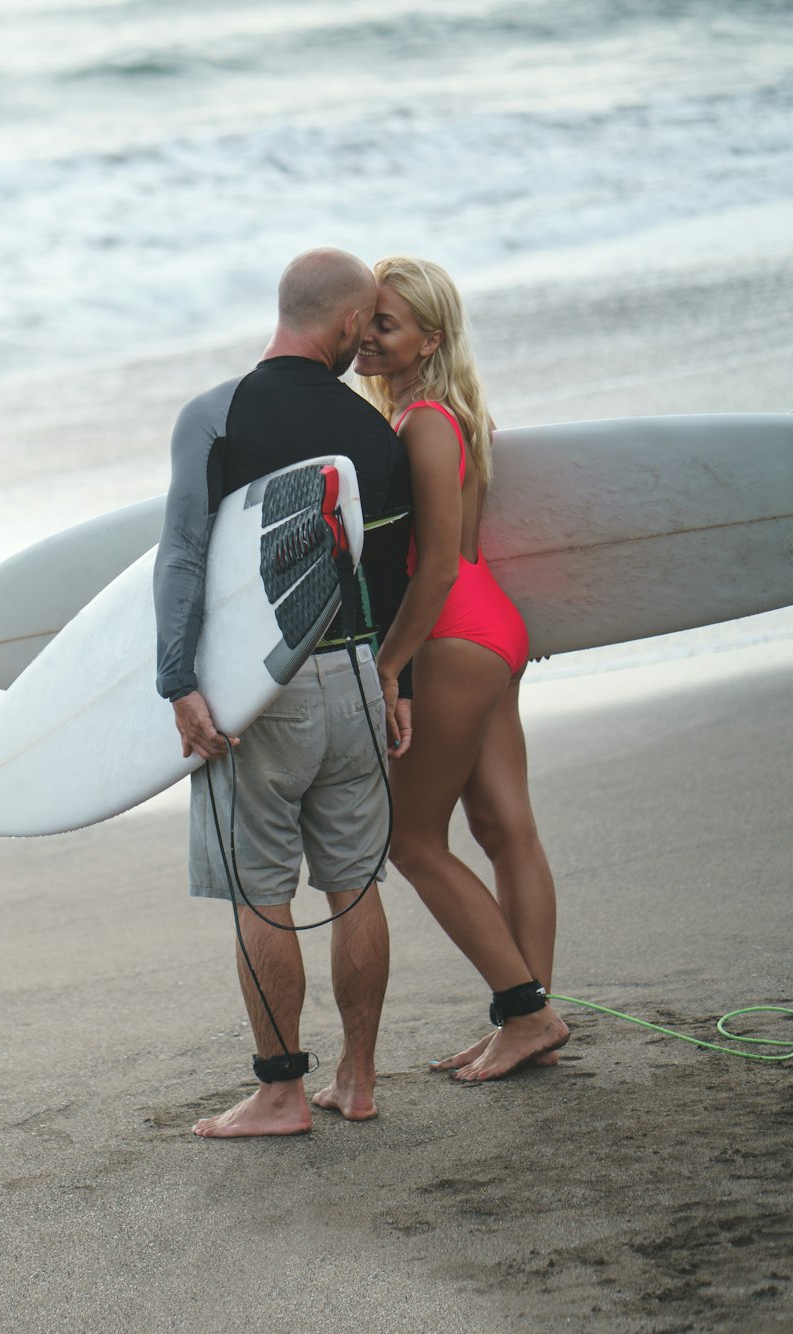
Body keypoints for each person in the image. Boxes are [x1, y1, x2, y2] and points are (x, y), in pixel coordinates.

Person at [154, 248, 416, 1139]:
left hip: (260, 691)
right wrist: (397, 684)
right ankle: (361, 1078)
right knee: (354, 886)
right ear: (348, 327)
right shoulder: (375, 434)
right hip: (354, 677)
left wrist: (178, 681)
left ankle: (280, 1093)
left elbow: (184, 553)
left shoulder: (214, 416)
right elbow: (391, 568)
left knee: (260, 891)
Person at [353, 256, 569, 1081]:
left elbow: (436, 567)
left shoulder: (422, 424)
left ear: (427, 340)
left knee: (412, 842)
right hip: (491, 628)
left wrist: (385, 665)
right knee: (505, 830)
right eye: (364, 319)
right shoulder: (450, 412)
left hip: (451, 637)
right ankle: (527, 1015)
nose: (367, 337)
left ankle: (527, 1012)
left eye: (387, 325)